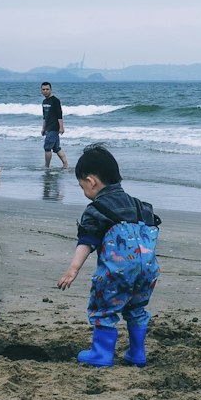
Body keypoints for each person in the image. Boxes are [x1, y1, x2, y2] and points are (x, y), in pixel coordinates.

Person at [57, 143, 160, 368]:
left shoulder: (97, 209)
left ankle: (101, 354)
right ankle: (137, 353)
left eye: (82, 186)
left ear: (91, 181)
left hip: (118, 272)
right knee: (136, 309)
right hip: (148, 272)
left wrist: (73, 269)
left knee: (104, 308)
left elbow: (87, 241)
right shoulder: (141, 206)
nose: (84, 192)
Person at [40, 81, 69, 170]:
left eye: (47, 89)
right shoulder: (44, 101)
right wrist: (43, 128)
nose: (45, 91)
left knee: (47, 147)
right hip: (48, 128)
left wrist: (61, 127)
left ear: (51, 89)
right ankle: (66, 165)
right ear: (41, 90)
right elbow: (45, 116)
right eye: (43, 89)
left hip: (54, 128)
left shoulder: (55, 101)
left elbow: (59, 115)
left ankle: (46, 166)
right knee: (56, 148)